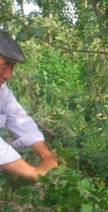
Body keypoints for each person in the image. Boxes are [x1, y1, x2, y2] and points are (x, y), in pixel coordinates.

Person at [0, 30, 58, 181]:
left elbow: (18, 118)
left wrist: (47, 157)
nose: (8, 75)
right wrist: (32, 171)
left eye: (11, 67)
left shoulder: (1, 91)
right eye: (3, 66)